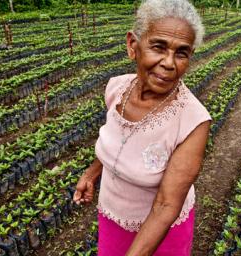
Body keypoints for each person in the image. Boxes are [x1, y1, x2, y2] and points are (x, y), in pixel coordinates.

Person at [72, 0, 210, 255]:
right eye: (158, 47)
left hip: (160, 232)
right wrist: (92, 174)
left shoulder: (193, 121)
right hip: (112, 216)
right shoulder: (116, 89)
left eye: (182, 52)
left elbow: (166, 206)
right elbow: (120, 142)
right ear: (133, 45)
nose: (169, 63)